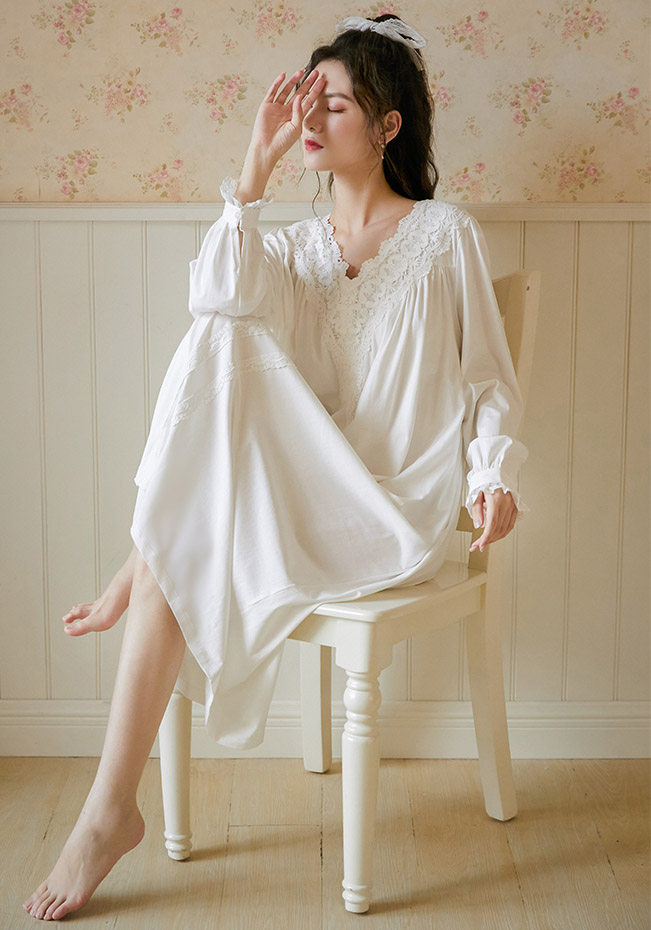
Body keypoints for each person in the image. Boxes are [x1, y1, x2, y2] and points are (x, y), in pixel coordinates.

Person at [23, 13, 529, 921]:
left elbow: (488, 378)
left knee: (176, 541)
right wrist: (252, 174)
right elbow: (215, 299)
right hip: (304, 498)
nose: (309, 118)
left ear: (386, 125)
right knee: (222, 331)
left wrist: (492, 473)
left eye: (333, 104)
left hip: (394, 511)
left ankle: (138, 572)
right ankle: (110, 807)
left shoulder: (444, 234)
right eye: (304, 101)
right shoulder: (292, 249)